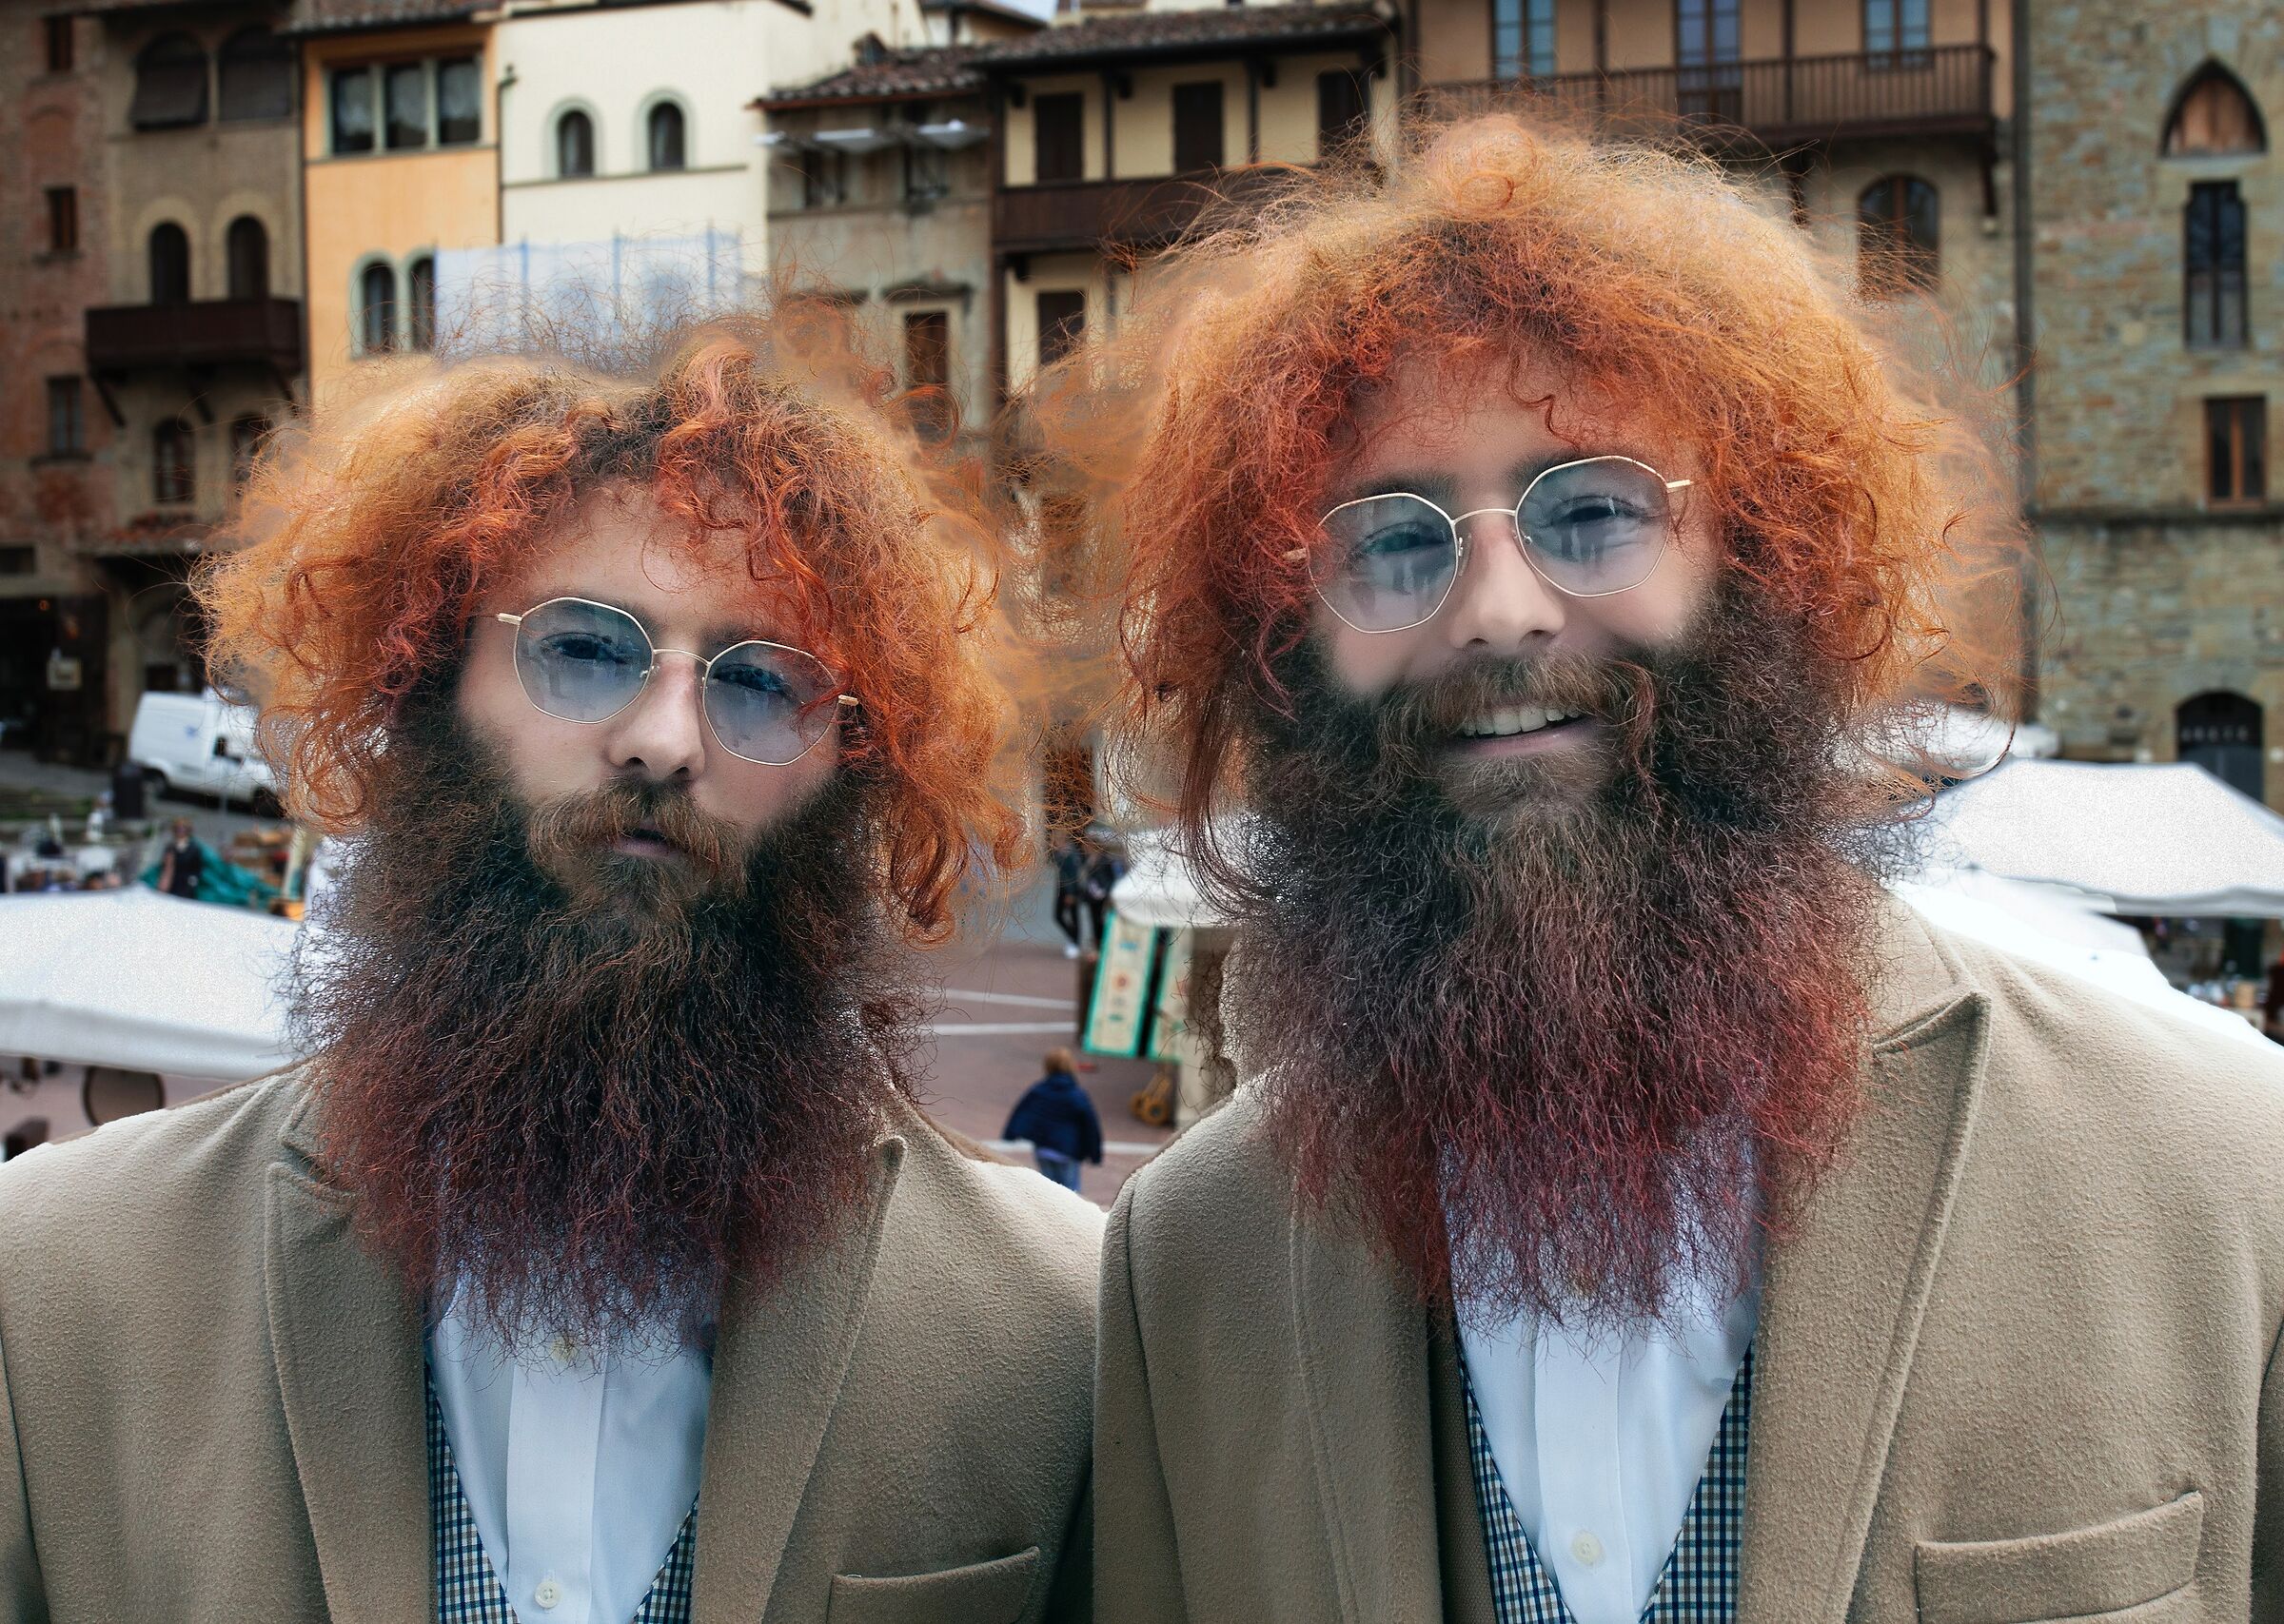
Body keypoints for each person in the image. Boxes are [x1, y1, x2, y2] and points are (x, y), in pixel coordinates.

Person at [1078, 118, 2284, 1620]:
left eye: (1593, 508)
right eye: (1392, 543)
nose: (1501, 609)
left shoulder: (2227, 1167)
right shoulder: (1186, 1271)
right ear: (1279, 646)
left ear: (1768, 555)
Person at [0, 324, 1099, 1622]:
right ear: (426, 682)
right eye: (584, 647)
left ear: (852, 762)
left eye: (762, 682)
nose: (664, 737)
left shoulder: (1058, 1321)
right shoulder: (58, 1283)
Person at [1003, 1047, 1105, 1192]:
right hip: (1067, 1151)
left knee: (1049, 1191)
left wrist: (1011, 1133)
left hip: (1043, 1149)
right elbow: (1090, 1125)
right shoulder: (1076, 1094)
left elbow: (1022, 1111)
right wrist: (1095, 1154)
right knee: (1070, 1193)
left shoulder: (1039, 1090)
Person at [1053, 834, 1089, 958]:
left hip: (1071, 889)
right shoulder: (1060, 852)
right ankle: (1072, 939)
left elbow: (1074, 874)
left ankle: (1075, 943)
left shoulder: (1071, 853)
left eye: (1056, 839)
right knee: (1058, 916)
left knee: (1074, 916)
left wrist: (1071, 893)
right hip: (1062, 888)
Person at [154, 816, 204, 899]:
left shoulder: (194, 848)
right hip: (172, 883)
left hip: (186, 885)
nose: (180, 831)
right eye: (178, 829)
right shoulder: (170, 847)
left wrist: (192, 881)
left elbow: (197, 868)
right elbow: (164, 866)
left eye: (183, 829)